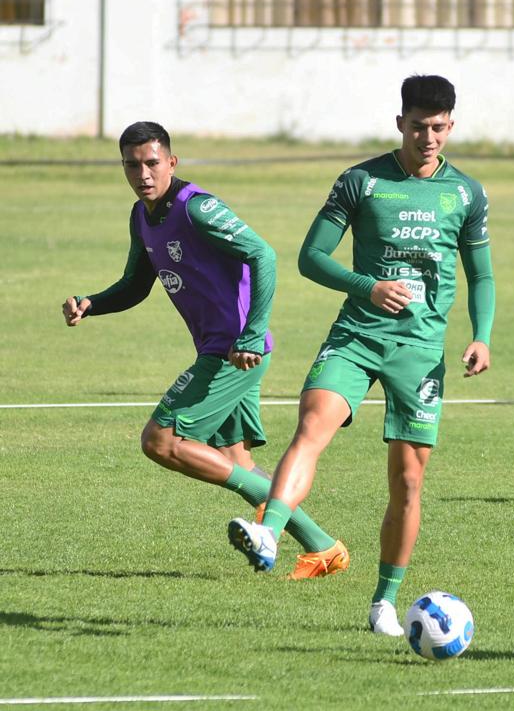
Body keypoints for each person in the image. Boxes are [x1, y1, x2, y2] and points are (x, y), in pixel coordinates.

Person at [226, 75, 495, 636]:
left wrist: (482, 334)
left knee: (408, 482)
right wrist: (366, 286)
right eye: (418, 126)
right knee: (312, 424)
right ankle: (270, 531)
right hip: (356, 334)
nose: (428, 137)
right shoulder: (361, 182)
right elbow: (310, 257)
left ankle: (384, 603)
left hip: (420, 352)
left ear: (452, 125)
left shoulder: (466, 194)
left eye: (439, 127)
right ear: (400, 122)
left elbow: (482, 275)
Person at [62, 121, 345, 579]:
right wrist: (92, 304)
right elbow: (136, 284)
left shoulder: (200, 209)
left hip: (236, 353)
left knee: (161, 441)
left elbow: (264, 255)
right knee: (236, 462)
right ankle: (323, 547)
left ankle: (294, 535)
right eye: (132, 165)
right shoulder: (142, 216)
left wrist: (252, 334)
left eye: (152, 162)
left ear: (172, 162)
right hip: (218, 350)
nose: (144, 173)